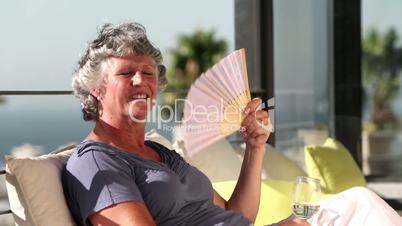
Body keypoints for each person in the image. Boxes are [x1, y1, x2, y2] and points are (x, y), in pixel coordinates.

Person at [62, 21, 402, 226]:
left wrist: (255, 148)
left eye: (147, 73)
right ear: (97, 90)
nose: (141, 81)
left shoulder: (160, 152)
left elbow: (237, 214)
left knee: (359, 200)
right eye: (126, 73)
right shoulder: (97, 161)